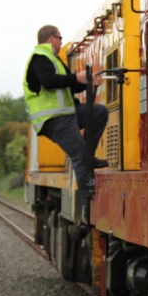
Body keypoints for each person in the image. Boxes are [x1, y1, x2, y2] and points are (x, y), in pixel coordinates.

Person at [23, 24, 109, 218]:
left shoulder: (53, 60)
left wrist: (84, 81)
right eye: (60, 38)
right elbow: (49, 81)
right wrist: (76, 77)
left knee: (99, 112)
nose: (61, 42)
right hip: (53, 119)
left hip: (66, 114)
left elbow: (66, 87)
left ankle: (89, 157)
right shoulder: (40, 57)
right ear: (52, 38)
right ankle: (88, 209)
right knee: (78, 153)